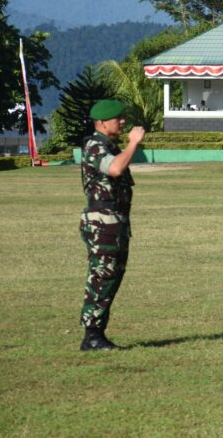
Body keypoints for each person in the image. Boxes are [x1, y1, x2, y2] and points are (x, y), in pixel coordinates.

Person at [78, 100, 145, 351]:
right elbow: (116, 168)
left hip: (114, 221)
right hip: (103, 222)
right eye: (118, 118)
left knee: (112, 275)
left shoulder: (107, 145)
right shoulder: (95, 146)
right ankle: (92, 335)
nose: (123, 122)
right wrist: (133, 143)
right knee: (103, 275)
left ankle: (96, 332)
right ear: (103, 123)